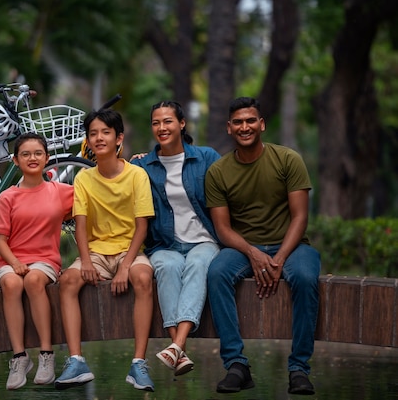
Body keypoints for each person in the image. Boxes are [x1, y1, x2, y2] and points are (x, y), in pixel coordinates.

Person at [205, 97, 321, 395]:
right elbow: (223, 229)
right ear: (229, 128)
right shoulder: (218, 172)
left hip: (292, 246)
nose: (245, 127)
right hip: (243, 248)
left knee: (307, 277)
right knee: (217, 272)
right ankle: (236, 365)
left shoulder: (288, 159)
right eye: (239, 122)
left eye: (251, 120)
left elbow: (300, 217)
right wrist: (253, 253)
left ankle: (299, 369)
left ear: (262, 124)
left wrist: (280, 257)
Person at [54, 108, 156, 392]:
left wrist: (126, 266)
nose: (99, 138)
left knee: (143, 279)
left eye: (105, 133)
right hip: (97, 253)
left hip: (129, 251)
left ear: (118, 138)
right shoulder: (84, 179)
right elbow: (81, 225)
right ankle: (76, 361)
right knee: (68, 281)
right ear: (88, 141)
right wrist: (85, 261)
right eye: (93, 134)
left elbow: (142, 227)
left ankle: (138, 364)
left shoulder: (137, 175)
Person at [131, 100, 220, 377]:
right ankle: (177, 351)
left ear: (181, 124)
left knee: (198, 265)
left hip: (203, 240)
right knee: (167, 268)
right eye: (156, 123)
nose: (162, 127)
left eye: (168, 121)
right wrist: (132, 162)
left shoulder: (206, 157)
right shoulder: (144, 166)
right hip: (164, 244)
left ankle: (177, 345)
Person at [0, 132, 74, 390]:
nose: (32, 158)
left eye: (38, 153)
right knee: (13, 285)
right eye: (25, 154)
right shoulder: (7, 197)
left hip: (45, 259)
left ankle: (46, 355)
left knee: (35, 280)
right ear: (16, 160)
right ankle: (19, 357)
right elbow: (0, 241)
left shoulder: (61, 192)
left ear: (47, 158)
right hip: (11, 259)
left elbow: (97, 193)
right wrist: (14, 263)